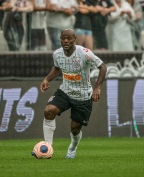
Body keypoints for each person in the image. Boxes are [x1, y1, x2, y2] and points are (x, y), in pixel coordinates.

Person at [39, 29, 107, 159]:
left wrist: (97, 87)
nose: (65, 41)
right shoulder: (57, 54)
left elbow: (102, 66)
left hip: (83, 96)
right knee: (49, 110)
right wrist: (47, 79)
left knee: (75, 129)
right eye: (63, 38)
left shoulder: (85, 53)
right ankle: (48, 147)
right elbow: (57, 68)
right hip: (65, 91)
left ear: (74, 39)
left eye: (69, 38)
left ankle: (73, 147)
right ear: (60, 39)